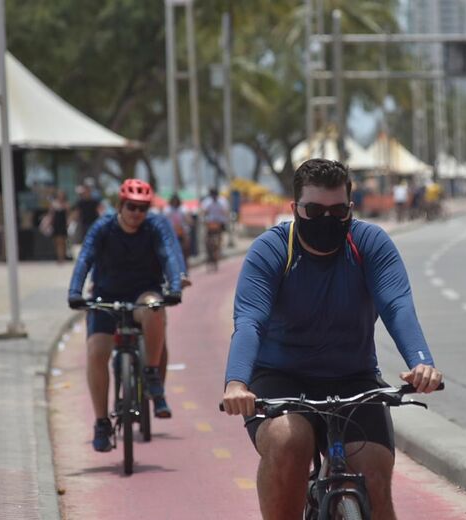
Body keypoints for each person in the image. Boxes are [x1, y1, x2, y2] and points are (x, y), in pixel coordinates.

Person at [221, 159, 443, 520]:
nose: (327, 219)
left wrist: (421, 362)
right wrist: (235, 383)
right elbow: (249, 322)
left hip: (354, 379)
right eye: (314, 210)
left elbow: (397, 305)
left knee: (374, 477)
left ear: (350, 210)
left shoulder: (370, 243)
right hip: (281, 380)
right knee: (289, 443)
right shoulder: (271, 250)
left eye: (338, 210)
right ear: (295, 209)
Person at [67, 179, 187, 452]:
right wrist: (75, 292)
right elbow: (84, 258)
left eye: (143, 208)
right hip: (105, 296)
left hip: (143, 293)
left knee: (156, 307)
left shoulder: (155, 227)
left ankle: (152, 374)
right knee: (97, 351)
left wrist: (177, 285)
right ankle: (101, 423)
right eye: (132, 207)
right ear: (120, 206)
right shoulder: (103, 228)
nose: (137, 213)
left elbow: (170, 254)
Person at [200, 187, 229, 271]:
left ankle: (219, 248)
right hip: (210, 223)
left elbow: (226, 211)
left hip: (219, 223)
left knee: (219, 237)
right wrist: (204, 219)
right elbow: (203, 211)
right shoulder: (207, 202)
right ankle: (208, 252)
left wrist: (224, 218)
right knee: (207, 239)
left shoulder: (222, 201)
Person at [47, 189, 70, 263]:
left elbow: (68, 215)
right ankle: (60, 257)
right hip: (56, 224)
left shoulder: (66, 204)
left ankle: (62, 258)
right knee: (57, 241)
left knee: (62, 241)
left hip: (63, 224)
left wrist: (68, 223)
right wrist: (49, 223)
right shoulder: (53, 204)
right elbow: (51, 215)